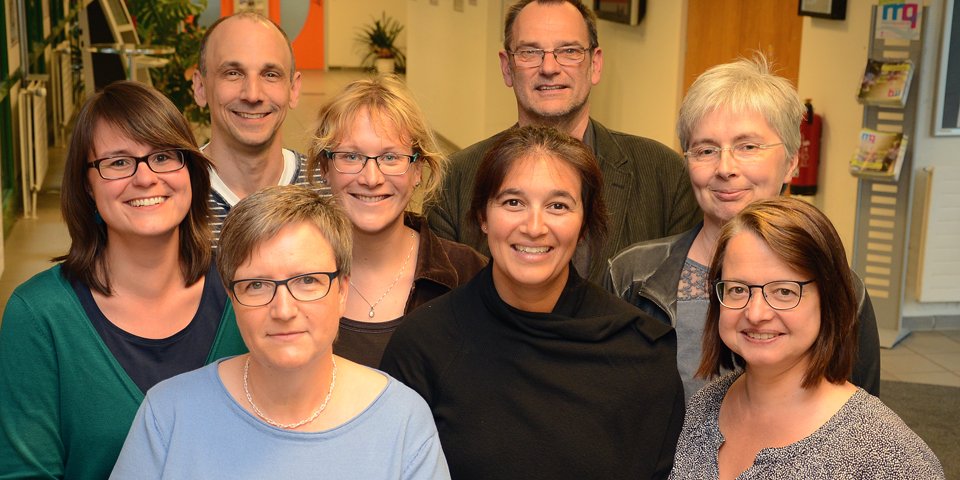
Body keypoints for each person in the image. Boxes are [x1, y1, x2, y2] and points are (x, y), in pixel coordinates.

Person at [382, 125, 684, 480]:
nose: (534, 226)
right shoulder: (423, 345)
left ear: (584, 223)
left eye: (558, 206)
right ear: (483, 216)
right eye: (513, 202)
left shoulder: (641, 352)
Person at [110, 185, 450, 479]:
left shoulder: (402, 421)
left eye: (307, 281)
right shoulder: (167, 415)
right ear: (232, 297)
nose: (284, 310)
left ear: (342, 291)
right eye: (257, 285)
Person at [0, 82, 246, 479]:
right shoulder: (40, 315)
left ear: (191, 170)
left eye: (164, 156)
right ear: (86, 183)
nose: (146, 178)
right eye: (117, 163)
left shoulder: (247, 292)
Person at [606, 55, 880, 401]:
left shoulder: (840, 288)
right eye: (705, 150)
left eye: (748, 147)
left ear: (792, 161)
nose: (725, 168)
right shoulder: (632, 275)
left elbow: (859, 422)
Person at [669, 197, 944, 479]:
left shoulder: (887, 454)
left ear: (829, 300)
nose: (756, 313)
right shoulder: (705, 407)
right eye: (738, 289)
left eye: (784, 291)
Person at [428, 0, 700, 283]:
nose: (549, 67)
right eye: (530, 52)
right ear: (507, 67)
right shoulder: (455, 180)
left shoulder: (665, 176)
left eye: (569, 51)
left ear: (595, 65)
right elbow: (445, 311)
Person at [307, 75, 486, 368]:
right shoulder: (294, 272)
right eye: (351, 156)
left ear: (418, 170)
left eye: (391, 157)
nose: (371, 178)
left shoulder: (468, 274)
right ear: (325, 167)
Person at [192, 12, 327, 246]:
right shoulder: (173, 193)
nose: (252, 94)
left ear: (293, 90)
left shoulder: (330, 187)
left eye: (270, 75)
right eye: (233, 73)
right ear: (201, 88)